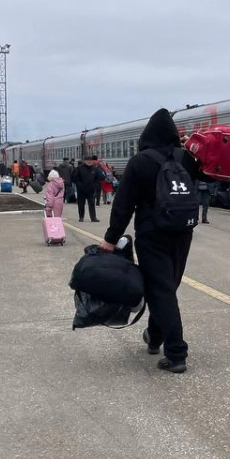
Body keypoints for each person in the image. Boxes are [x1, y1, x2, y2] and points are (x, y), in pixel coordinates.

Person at [100, 108, 202, 374]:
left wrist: (111, 238)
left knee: (160, 290)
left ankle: (176, 353)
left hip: (152, 234)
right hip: (182, 231)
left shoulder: (140, 161)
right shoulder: (186, 158)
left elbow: (123, 204)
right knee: (166, 288)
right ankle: (154, 336)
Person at [72, 156, 103, 223]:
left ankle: (93, 218)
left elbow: (99, 178)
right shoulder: (79, 168)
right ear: (84, 161)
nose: (89, 162)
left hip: (91, 190)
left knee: (92, 204)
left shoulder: (95, 169)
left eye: (90, 160)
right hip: (81, 190)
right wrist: (79, 185)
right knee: (81, 204)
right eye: (87, 160)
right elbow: (75, 178)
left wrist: (95, 185)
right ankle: (81, 217)